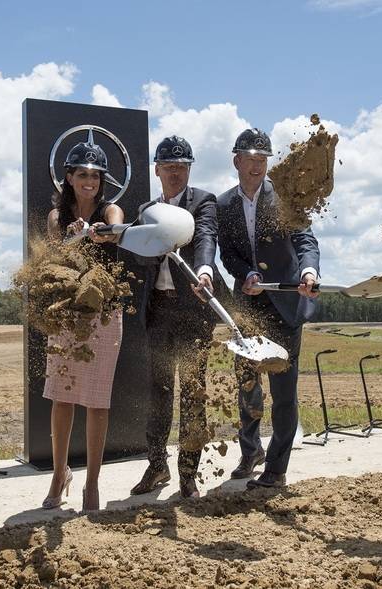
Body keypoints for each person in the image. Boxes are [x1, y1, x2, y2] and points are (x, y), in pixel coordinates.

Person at [216, 128, 319, 489]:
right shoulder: (224, 204)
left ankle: (276, 468)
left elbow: (306, 240)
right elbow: (227, 252)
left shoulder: (286, 197)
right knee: (247, 384)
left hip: (287, 304)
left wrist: (309, 271)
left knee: (283, 390)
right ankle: (250, 452)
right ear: (237, 161)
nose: (257, 165)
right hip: (248, 306)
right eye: (251, 159)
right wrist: (244, 273)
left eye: (263, 159)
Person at [130, 135, 219, 499]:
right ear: (157, 171)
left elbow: (206, 239)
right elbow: (138, 256)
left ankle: (187, 473)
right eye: (168, 167)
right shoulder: (148, 210)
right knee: (158, 391)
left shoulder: (203, 202)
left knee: (193, 392)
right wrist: (153, 245)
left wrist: (204, 270)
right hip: (159, 311)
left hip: (194, 310)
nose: (175, 173)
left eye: (181, 167)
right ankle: (156, 465)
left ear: (189, 169)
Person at [42, 139, 124, 512]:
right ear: (69, 178)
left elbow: (118, 228)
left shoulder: (110, 210)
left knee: (98, 402)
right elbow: (52, 256)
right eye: (82, 174)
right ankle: (60, 475)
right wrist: (74, 237)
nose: (88, 181)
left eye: (95, 175)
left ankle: (92, 483)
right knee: (62, 397)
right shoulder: (57, 218)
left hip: (105, 315)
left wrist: (101, 232)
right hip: (67, 314)